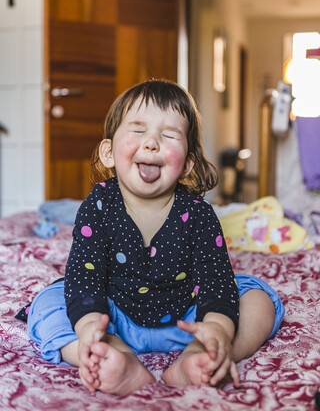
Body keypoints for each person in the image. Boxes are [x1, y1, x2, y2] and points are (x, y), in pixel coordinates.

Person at [27, 79, 285, 396]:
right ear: (108, 152)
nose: (151, 143)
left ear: (188, 162)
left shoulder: (199, 214)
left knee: (260, 298)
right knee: (47, 303)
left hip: (189, 321)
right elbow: (85, 276)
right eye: (138, 130)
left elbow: (215, 280)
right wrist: (91, 327)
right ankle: (108, 356)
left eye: (168, 135)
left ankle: (203, 356)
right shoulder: (98, 206)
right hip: (114, 319)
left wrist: (217, 328)